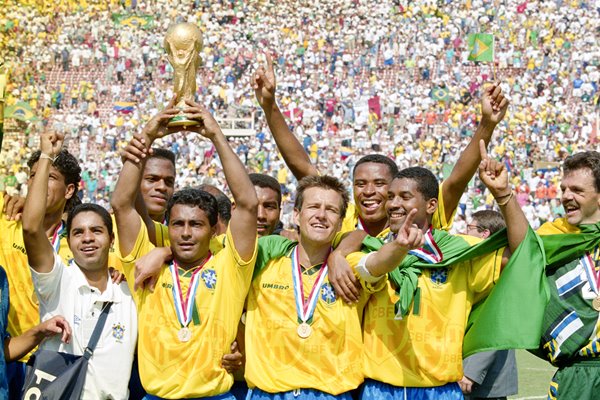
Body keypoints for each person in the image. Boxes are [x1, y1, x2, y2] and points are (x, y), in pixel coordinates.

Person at [252, 52, 509, 302]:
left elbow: (456, 180)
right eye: (360, 184)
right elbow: (303, 167)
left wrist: (487, 124)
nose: (369, 191)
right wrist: (270, 106)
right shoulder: (345, 218)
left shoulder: (414, 220)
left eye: (379, 184)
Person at [330, 139, 530, 400]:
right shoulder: (369, 250)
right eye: (390, 197)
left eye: (404, 197)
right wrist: (388, 249)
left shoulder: (460, 253)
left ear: (431, 206)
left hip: (440, 389)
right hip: (379, 389)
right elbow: (371, 268)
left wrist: (503, 195)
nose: (393, 204)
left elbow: (522, 254)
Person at [111, 98, 258, 399]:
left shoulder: (230, 268)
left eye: (197, 225)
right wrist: (147, 134)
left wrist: (216, 135)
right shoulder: (145, 268)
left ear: (214, 229)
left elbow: (248, 203)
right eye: (178, 224)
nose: (187, 233)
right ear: (168, 227)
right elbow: (121, 204)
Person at [244, 175, 386, 399]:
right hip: (268, 393)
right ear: (297, 215)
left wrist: (400, 246)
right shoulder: (263, 262)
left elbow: (380, 263)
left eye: (331, 209)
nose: (321, 215)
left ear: (340, 223)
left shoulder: (351, 266)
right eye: (313, 207)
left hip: (331, 394)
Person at [22, 131, 137, 399]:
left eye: (96, 231)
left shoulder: (128, 290)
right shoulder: (57, 280)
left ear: (111, 240)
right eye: (78, 232)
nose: (87, 238)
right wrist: (47, 156)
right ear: (68, 241)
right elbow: (30, 228)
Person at [0, 142, 81, 400]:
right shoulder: (6, 220)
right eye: (34, 175)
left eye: (49, 176)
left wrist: (164, 252)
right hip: (8, 357)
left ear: (69, 190)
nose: (39, 180)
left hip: (56, 362)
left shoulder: (83, 240)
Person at [532, 151, 600, 399]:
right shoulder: (554, 236)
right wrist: (504, 196)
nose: (566, 197)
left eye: (577, 190)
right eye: (564, 189)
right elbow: (520, 255)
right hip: (577, 375)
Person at [459, 210, 518, 400]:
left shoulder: (499, 268)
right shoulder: (476, 262)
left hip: (483, 378)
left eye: (470, 228)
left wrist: (472, 369)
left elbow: (495, 323)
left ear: (484, 234)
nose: (465, 232)